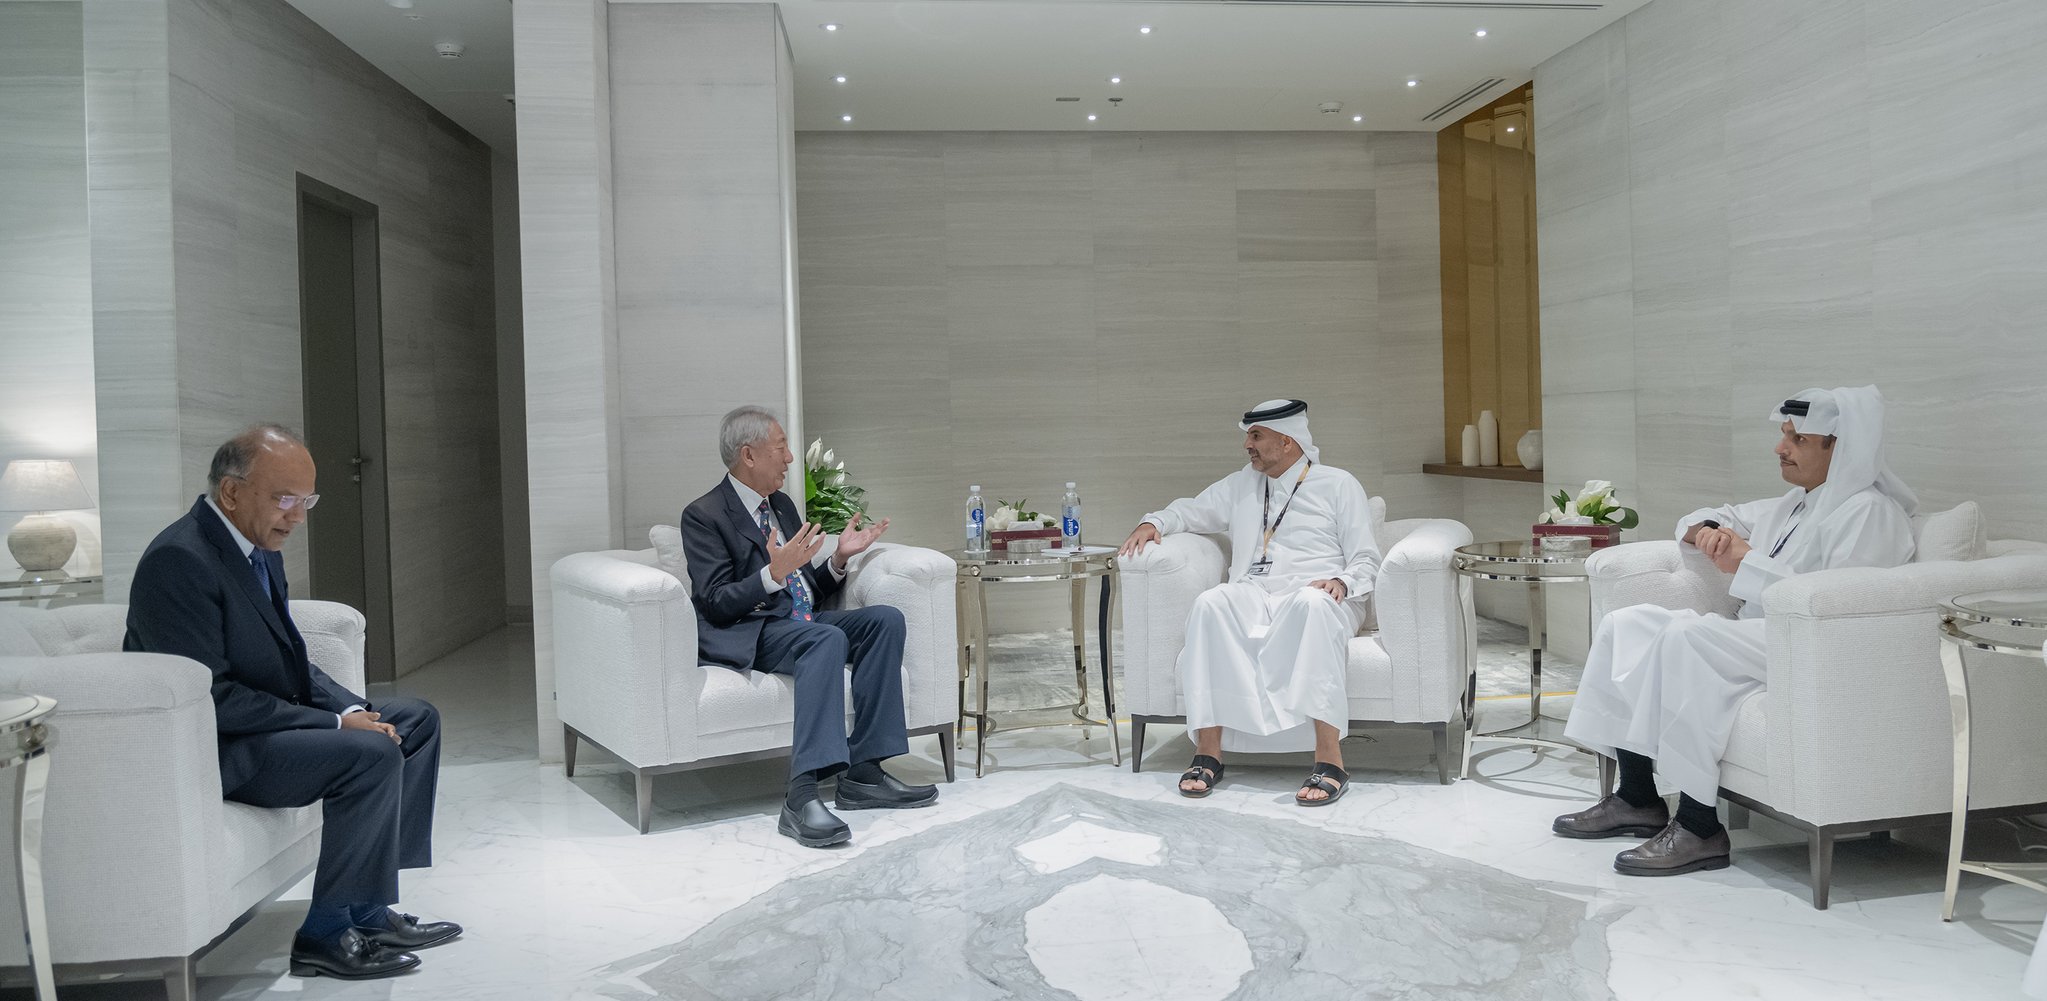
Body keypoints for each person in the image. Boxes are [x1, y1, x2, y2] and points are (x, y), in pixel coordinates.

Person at [124, 425, 456, 980]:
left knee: (415, 721)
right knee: (370, 754)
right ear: (232, 492)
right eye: (285, 499)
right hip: (217, 749)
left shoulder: (257, 548)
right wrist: (336, 726)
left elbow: (290, 661)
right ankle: (324, 935)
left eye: (307, 500)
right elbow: (211, 696)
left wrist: (350, 710)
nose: (297, 516)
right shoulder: (180, 560)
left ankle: (368, 912)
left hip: (263, 731)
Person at [1555, 386, 1916, 876]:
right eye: (1784, 434)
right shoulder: (1795, 503)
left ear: (1840, 447)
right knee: (1628, 624)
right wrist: (1709, 530)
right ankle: (1637, 798)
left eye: (1798, 439)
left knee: (1686, 638)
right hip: (1759, 636)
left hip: (1813, 647)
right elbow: (1703, 518)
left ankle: (1700, 827)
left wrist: (1749, 562)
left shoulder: (1870, 512)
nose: (1780, 448)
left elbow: (1839, 604)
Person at [680, 406, 937, 848]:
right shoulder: (704, 515)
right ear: (748, 455)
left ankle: (864, 774)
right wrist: (770, 575)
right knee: (825, 638)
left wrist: (838, 559)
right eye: (781, 447)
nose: (790, 458)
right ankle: (800, 797)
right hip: (752, 631)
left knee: (885, 620)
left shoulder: (781, 505)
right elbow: (716, 603)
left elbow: (805, 593)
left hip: (799, 623)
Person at [1118, 399, 1381, 806]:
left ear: (1287, 441)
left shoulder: (1338, 484)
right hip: (1256, 592)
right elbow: (1192, 510)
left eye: (1256, 436)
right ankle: (1208, 753)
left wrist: (1341, 582)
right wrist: (1154, 521)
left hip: (1322, 595)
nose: (1247, 446)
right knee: (1211, 604)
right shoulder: (1242, 484)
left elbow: (1366, 557)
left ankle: (1331, 761)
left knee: (1311, 605)